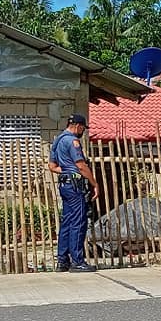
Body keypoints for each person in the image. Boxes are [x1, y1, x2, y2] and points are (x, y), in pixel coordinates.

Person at [48, 113, 99, 272]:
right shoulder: (73, 141)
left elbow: (52, 166)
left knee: (67, 222)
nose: (83, 131)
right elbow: (81, 165)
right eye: (83, 128)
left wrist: (67, 172)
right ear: (77, 125)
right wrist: (94, 184)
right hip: (76, 187)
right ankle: (77, 261)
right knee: (78, 222)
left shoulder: (57, 140)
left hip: (65, 185)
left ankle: (62, 261)